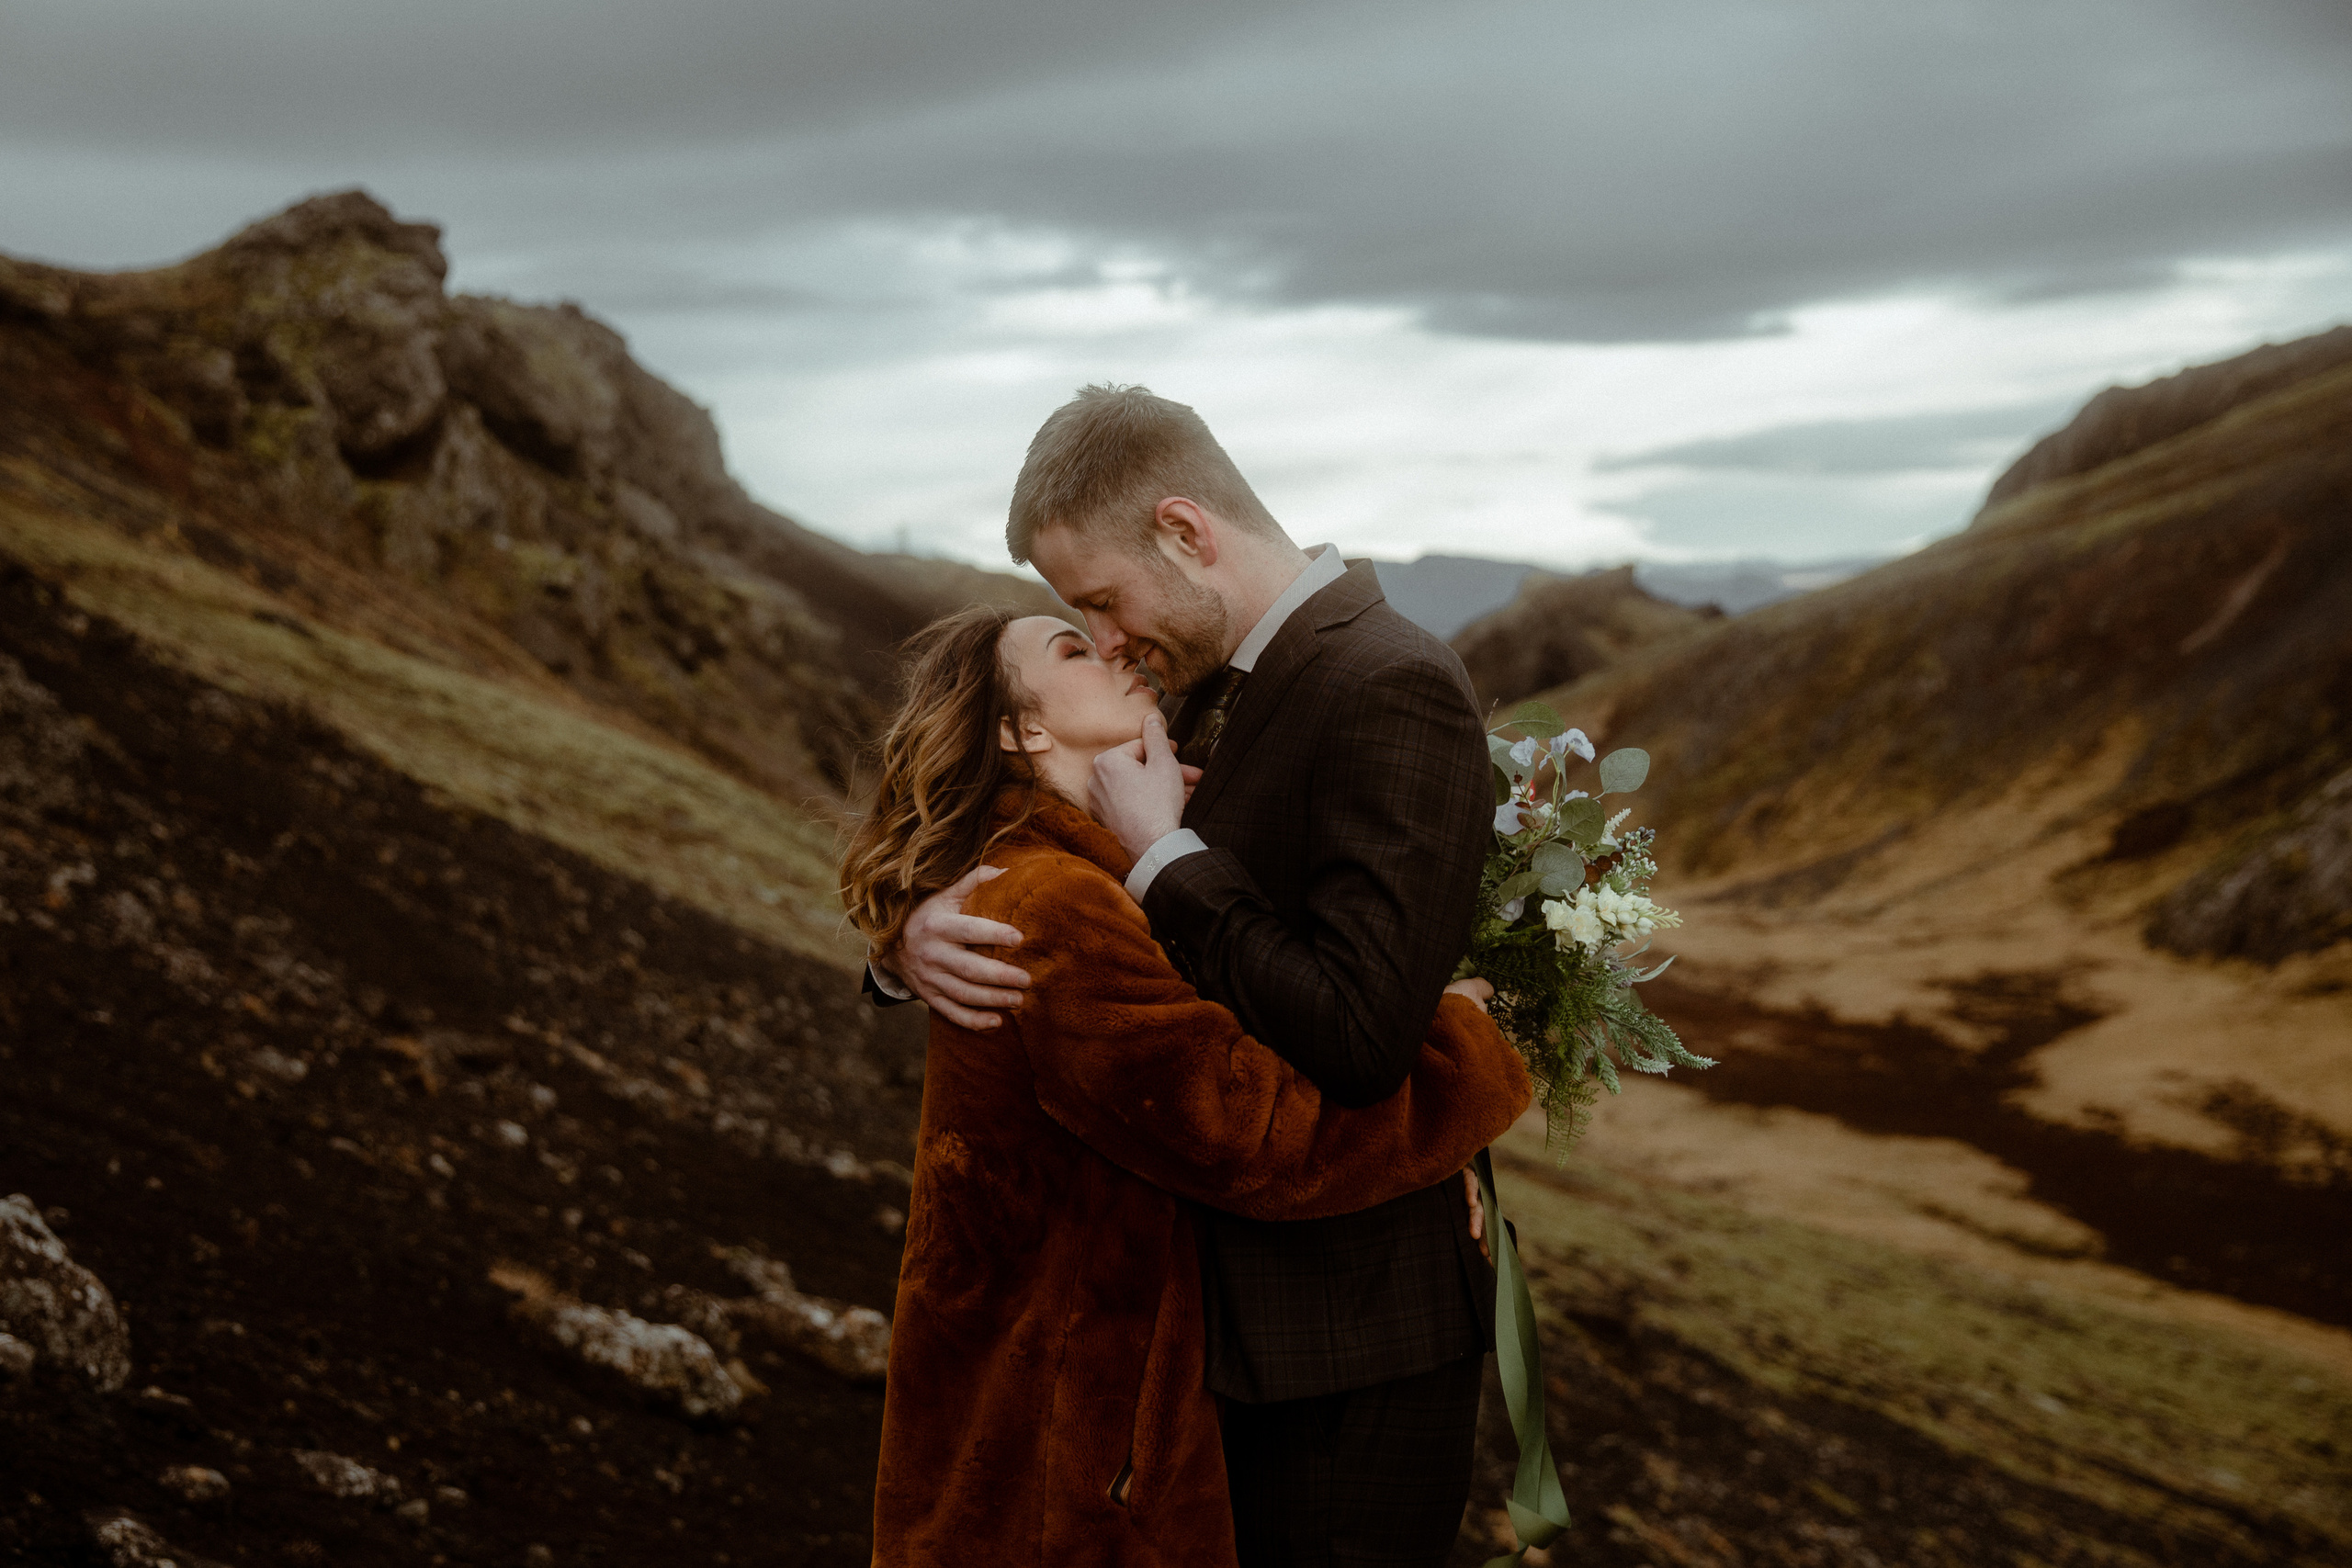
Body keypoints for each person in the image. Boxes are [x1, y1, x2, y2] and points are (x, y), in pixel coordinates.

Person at [873, 386, 1506, 1566]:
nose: (1110, 641)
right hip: (1206, 1337)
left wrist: (1168, 859)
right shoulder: (1204, 678)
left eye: (1102, 603)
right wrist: (912, 934)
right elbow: (1067, 891)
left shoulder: (1384, 680)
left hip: (1346, 1337)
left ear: (1184, 532)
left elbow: (1361, 1031)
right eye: (1081, 623)